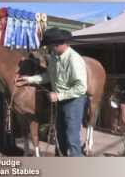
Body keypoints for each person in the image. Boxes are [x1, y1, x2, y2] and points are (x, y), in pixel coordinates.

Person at [16, 27, 87, 157]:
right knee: (60, 138)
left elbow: (81, 88)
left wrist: (58, 95)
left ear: (57, 45)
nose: (48, 49)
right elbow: (48, 76)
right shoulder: (55, 57)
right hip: (60, 101)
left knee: (72, 140)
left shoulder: (74, 60)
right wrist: (29, 79)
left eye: (49, 46)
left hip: (73, 102)